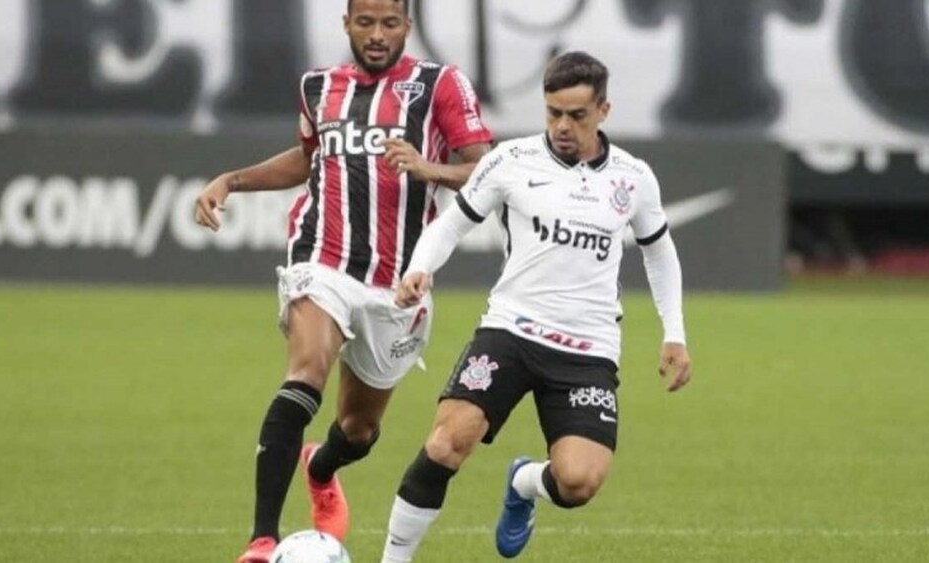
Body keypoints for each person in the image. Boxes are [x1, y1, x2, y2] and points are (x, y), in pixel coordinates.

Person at [193, 1, 494, 561]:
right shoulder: (318, 87)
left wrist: (433, 170)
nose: (376, 35)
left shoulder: (440, 85)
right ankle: (262, 539)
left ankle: (322, 465)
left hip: (397, 284)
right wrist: (231, 181)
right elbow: (310, 161)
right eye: (364, 22)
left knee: (357, 430)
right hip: (323, 258)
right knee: (305, 372)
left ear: (408, 25)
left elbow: (488, 166)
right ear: (346, 24)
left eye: (389, 23)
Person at [380, 51, 693, 562]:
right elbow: (454, 221)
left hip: (588, 348)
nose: (562, 126)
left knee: (578, 483)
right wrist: (420, 268)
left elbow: (659, 250)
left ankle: (524, 483)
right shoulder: (510, 161)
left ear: (603, 111)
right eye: (553, 113)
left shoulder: (634, 178)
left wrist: (673, 332)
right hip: (511, 331)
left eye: (577, 115)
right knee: (445, 443)